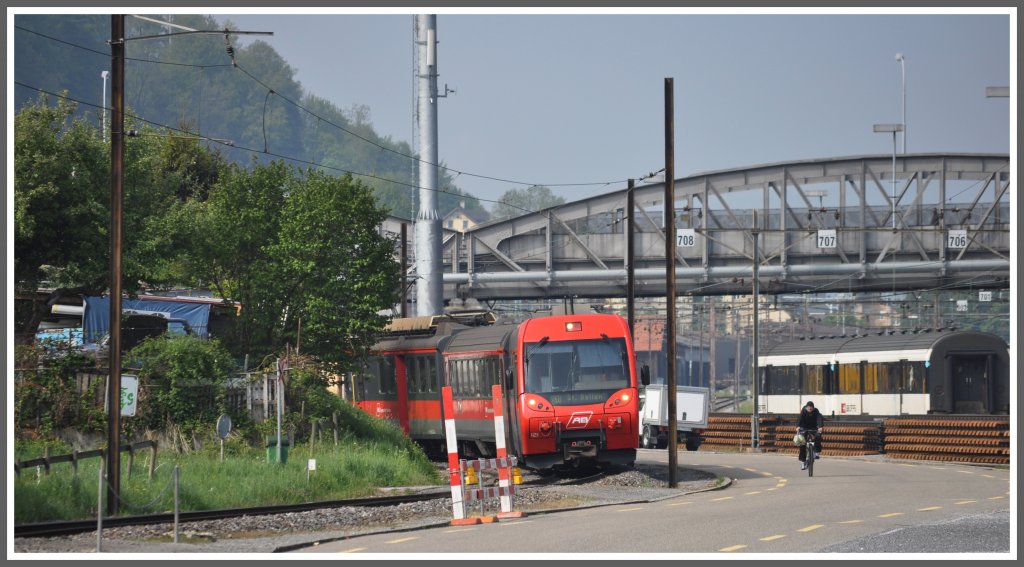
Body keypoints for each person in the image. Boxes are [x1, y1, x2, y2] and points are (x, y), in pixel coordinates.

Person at [796, 400, 824, 470]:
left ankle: (816, 452)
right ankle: (803, 461)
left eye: (811, 408)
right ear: (806, 407)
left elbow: (819, 418)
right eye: (809, 408)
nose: (810, 410)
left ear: (813, 408)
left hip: (813, 428)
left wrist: (820, 426)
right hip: (804, 428)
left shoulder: (816, 411)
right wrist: (798, 426)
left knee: (818, 437)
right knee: (802, 443)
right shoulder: (803, 411)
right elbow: (800, 418)